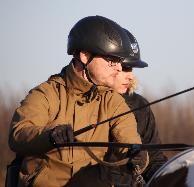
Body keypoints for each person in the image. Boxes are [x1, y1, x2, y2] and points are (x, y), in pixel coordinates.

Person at [8, 16, 148, 187]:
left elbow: (129, 142)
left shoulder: (114, 102)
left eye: (119, 61)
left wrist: (138, 156)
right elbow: (18, 135)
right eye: (112, 60)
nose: (119, 67)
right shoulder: (47, 93)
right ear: (85, 56)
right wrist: (49, 134)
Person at [109, 29, 168, 183]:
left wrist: (167, 178)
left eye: (132, 69)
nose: (131, 75)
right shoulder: (84, 102)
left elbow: (155, 158)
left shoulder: (140, 105)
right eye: (125, 68)